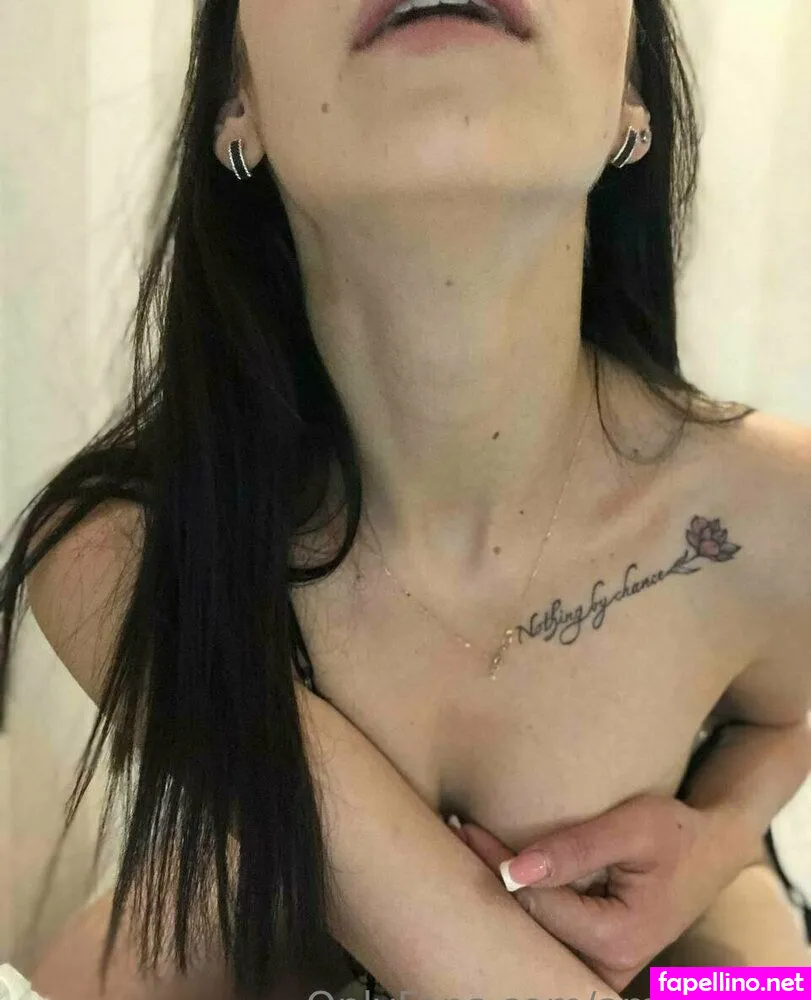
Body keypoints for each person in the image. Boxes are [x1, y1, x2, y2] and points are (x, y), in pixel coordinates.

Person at [1, 0, 809, 997]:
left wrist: (721, 846)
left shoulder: (775, 516)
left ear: (630, 97)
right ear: (235, 101)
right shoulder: (133, 559)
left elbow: (780, 722)